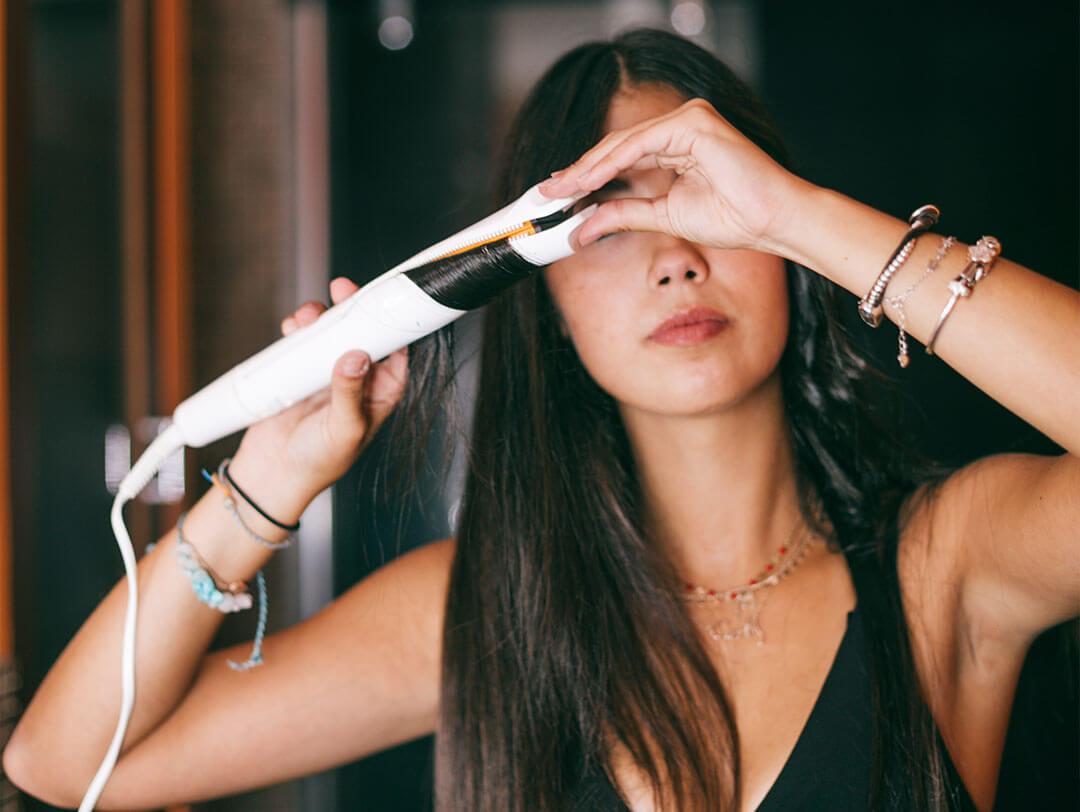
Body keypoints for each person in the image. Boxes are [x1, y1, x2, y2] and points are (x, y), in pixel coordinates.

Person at [4, 27, 1078, 812]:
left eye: (703, 202)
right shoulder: (483, 609)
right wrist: (260, 488)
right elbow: (63, 764)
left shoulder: (948, 563)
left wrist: (802, 218)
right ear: (548, 303)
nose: (675, 255)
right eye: (610, 227)